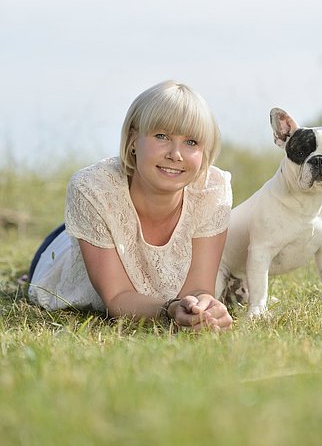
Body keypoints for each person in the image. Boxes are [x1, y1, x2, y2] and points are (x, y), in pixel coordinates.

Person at [28, 80, 233, 331]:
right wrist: (170, 310)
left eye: (191, 142)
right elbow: (117, 297)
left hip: (149, 277)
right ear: (133, 139)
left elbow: (199, 288)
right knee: (57, 248)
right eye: (161, 136)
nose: (176, 154)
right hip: (66, 247)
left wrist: (201, 308)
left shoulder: (213, 190)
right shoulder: (92, 188)